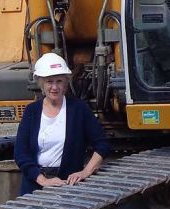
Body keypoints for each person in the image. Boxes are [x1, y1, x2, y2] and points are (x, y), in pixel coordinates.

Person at [14, 52, 110, 195]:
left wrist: (85, 172)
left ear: (65, 83)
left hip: (68, 185)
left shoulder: (78, 109)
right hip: (34, 185)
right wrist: (42, 180)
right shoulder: (31, 111)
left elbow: (102, 144)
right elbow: (21, 153)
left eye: (59, 81)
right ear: (41, 83)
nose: (55, 87)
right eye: (49, 81)